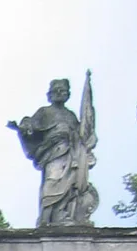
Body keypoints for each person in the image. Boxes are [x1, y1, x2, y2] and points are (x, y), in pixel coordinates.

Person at [8, 76, 98, 227]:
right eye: (56, 90)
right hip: (53, 152)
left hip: (70, 153)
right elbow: (31, 125)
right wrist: (22, 128)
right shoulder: (44, 112)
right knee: (52, 181)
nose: (59, 93)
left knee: (70, 185)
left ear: (68, 94)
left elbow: (81, 134)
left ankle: (62, 214)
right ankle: (46, 217)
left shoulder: (70, 115)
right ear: (49, 95)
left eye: (63, 91)